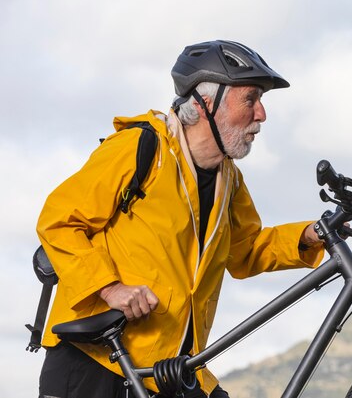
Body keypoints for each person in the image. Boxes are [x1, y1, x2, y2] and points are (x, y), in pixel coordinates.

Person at [36, 40, 325, 398]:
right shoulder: (140, 149)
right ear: (206, 104)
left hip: (172, 368)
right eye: (250, 98)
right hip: (95, 363)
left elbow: (246, 250)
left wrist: (312, 235)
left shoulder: (228, 180)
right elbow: (58, 220)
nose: (262, 114)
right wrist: (110, 288)